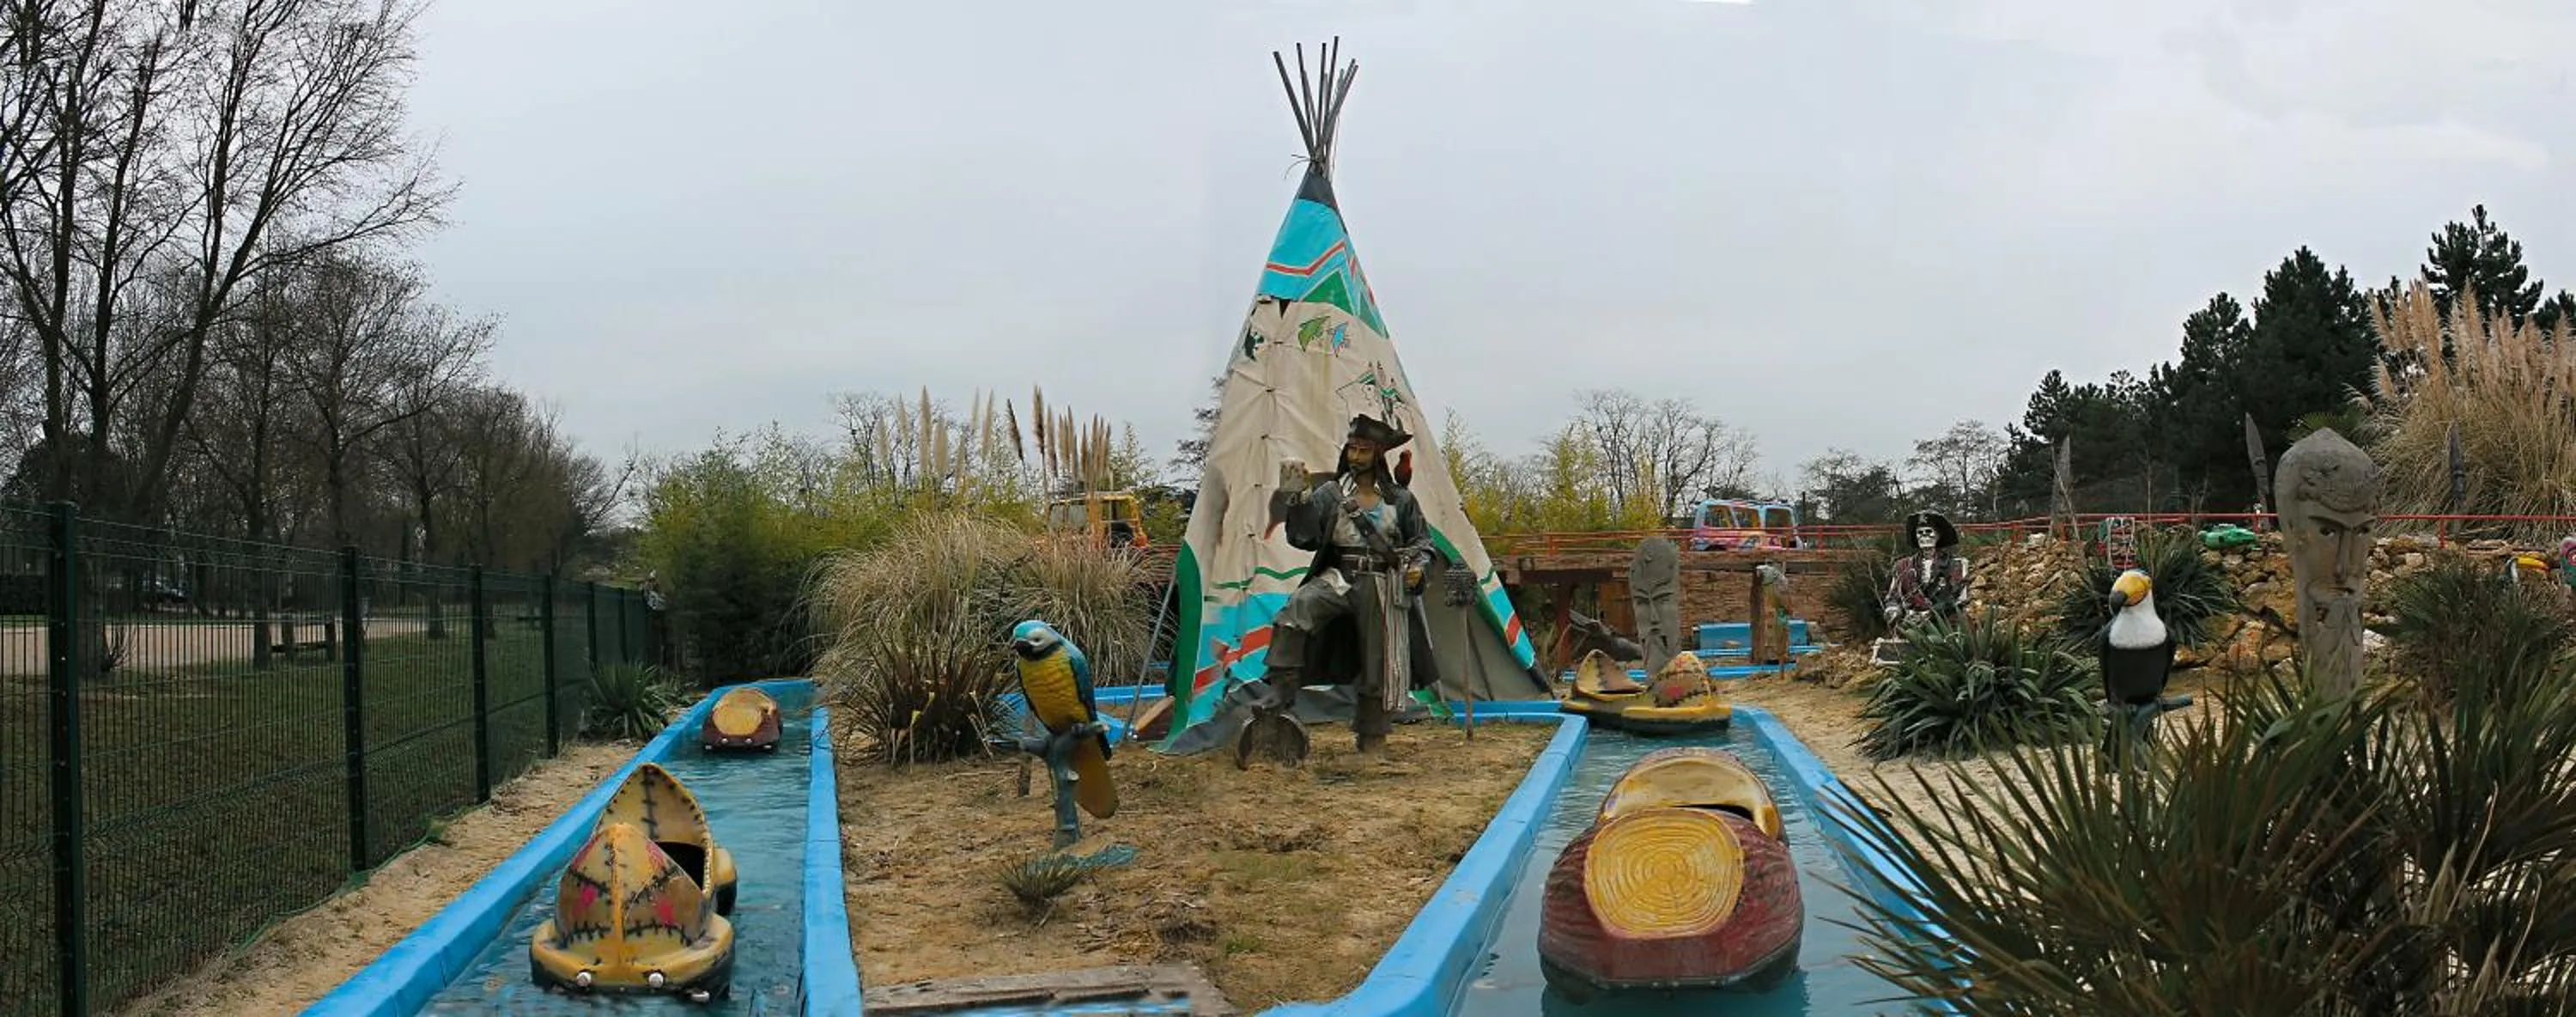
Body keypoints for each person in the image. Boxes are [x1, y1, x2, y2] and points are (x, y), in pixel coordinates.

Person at [1247, 413, 1444, 755]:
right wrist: (1300, 500)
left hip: (1381, 582)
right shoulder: (1330, 494)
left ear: (1378, 454)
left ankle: (1373, 737)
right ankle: (1281, 691)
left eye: (1363, 451)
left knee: (1377, 660)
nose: (1356, 457)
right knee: (1296, 611)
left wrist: (1417, 567)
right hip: (1340, 576)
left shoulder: (1400, 500)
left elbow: (1422, 543)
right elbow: (1305, 538)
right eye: (1352, 449)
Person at [1882, 509, 1969, 630]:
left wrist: (1929, 614)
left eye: (1929, 532)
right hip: (1912, 627)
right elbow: (1893, 597)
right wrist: (1893, 610)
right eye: (1920, 533)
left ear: (1938, 536)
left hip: (1945, 627)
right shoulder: (1902, 566)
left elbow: (1958, 599)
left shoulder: (1956, 564)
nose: (1924, 536)